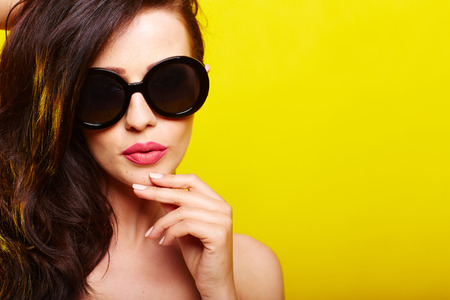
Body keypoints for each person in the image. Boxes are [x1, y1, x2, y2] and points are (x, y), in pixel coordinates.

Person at [0, 0, 284, 299]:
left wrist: (220, 292)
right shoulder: (15, 255)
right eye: (102, 92)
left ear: (200, 81)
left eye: (169, 83)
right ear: (66, 102)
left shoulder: (254, 270)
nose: (139, 120)